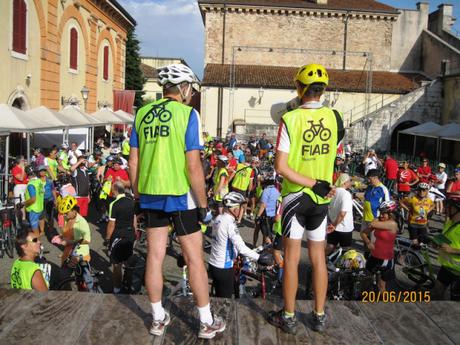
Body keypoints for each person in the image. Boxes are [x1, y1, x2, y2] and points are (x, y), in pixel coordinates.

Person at [129, 63, 225, 339]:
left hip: (149, 193)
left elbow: (133, 161)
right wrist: (204, 203)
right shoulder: (187, 114)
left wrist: (138, 196)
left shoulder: (142, 113)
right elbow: (193, 165)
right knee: (194, 259)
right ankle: (206, 322)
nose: (191, 95)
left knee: (155, 257)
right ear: (183, 88)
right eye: (190, 90)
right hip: (181, 194)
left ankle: (158, 318)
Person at [268, 63, 344, 334]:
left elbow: (281, 167)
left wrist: (313, 182)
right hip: (321, 201)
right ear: (323, 91)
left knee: (290, 259)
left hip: (297, 196)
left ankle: (288, 316)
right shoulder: (335, 117)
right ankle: (319, 315)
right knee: (318, 259)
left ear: (299, 88)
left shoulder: (290, 119)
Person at [208, 192, 273, 298]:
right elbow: (241, 248)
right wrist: (260, 258)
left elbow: (224, 241)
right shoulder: (230, 224)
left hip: (213, 264)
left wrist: (236, 254)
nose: (241, 210)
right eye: (240, 207)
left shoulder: (218, 218)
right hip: (224, 268)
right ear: (234, 209)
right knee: (225, 302)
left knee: (218, 297)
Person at [360, 200, 398, 292]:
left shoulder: (393, 224)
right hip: (374, 256)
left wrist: (374, 221)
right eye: (380, 213)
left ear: (391, 214)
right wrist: (368, 242)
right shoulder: (379, 222)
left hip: (385, 259)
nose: (381, 215)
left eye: (384, 213)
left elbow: (372, 223)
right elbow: (363, 233)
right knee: (367, 280)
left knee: (381, 286)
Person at [105, 182, 135, 293]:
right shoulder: (131, 201)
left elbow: (111, 224)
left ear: (116, 190)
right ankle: (129, 284)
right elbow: (134, 219)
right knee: (128, 260)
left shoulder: (114, 203)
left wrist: (107, 238)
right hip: (130, 233)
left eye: (112, 189)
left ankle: (117, 289)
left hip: (118, 235)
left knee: (117, 264)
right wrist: (134, 232)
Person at [432, 196, 460, 299]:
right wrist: (437, 243)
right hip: (447, 267)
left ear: (456, 209)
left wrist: (451, 250)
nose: (445, 209)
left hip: (458, 271)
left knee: (455, 301)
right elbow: (445, 238)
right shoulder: (450, 223)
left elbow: (450, 247)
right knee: (436, 292)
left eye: (448, 207)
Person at [58, 195, 91, 266]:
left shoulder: (82, 222)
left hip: (79, 254)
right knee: (63, 273)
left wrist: (70, 242)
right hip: (67, 252)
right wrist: (61, 237)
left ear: (74, 211)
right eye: (63, 213)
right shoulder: (66, 219)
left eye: (66, 213)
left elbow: (87, 240)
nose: (64, 215)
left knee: (70, 274)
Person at [326, 174, 354, 256]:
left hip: (332, 223)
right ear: (344, 182)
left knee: (330, 246)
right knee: (345, 250)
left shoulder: (333, 191)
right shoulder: (346, 194)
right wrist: (335, 225)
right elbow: (342, 213)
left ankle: (320, 264)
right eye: (349, 181)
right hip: (344, 227)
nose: (350, 183)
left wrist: (333, 224)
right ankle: (340, 267)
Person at [254, 174, 280, 246]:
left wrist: (258, 216)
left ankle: (267, 249)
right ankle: (264, 248)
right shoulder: (276, 191)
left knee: (266, 235)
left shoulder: (266, 191)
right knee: (267, 233)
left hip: (265, 215)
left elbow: (263, 205)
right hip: (272, 215)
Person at [229, 161, 254, 225]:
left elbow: (232, 175)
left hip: (234, 186)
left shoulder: (238, 165)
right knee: (241, 206)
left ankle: (232, 217)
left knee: (232, 203)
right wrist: (249, 191)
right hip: (242, 189)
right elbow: (250, 184)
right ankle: (239, 220)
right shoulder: (251, 170)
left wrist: (227, 182)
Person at [23, 167, 45, 235]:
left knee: (35, 230)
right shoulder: (39, 181)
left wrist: (23, 203)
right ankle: (42, 231)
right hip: (40, 206)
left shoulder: (31, 184)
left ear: (27, 174)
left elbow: (33, 199)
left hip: (33, 209)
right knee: (41, 219)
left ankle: (38, 243)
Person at [11, 156, 28, 220]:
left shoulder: (25, 168)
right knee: (20, 204)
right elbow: (20, 178)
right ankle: (21, 219)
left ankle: (24, 218)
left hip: (26, 186)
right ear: (20, 162)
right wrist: (23, 169)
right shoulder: (15, 169)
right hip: (19, 187)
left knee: (26, 203)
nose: (25, 161)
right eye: (23, 160)